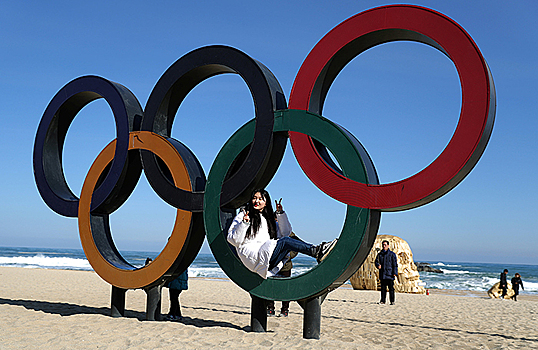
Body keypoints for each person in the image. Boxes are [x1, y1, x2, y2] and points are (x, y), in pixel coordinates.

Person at [227, 189, 337, 279]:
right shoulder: (244, 215)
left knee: (290, 239)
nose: (257, 201)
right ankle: (317, 252)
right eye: (254, 198)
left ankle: (318, 251)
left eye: (260, 199)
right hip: (254, 258)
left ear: (266, 203)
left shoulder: (267, 219)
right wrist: (244, 223)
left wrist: (280, 214)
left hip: (267, 258)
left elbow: (286, 232)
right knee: (285, 242)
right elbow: (233, 240)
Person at [266, 233, 299, 317]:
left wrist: (288, 255)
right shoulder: (270, 229)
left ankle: (285, 310)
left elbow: (297, 246)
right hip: (271, 265)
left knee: (286, 289)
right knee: (270, 287)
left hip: (286, 266)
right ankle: (270, 308)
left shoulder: (289, 232)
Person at [375, 240, 398, 305]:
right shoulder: (380, 254)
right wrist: (378, 266)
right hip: (383, 274)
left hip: (390, 274)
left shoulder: (392, 254)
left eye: (385, 245)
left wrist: (395, 273)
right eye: (383, 245)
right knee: (383, 289)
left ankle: (392, 301)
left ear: (388, 245)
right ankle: (382, 301)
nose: (384, 246)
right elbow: (376, 262)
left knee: (391, 289)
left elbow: (395, 264)